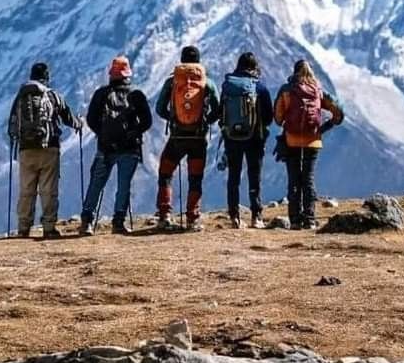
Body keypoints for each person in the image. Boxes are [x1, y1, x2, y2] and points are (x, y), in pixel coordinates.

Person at [79, 56, 152, 236]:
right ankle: (118, 222)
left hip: (105, 148)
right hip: (130, 148)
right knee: (124, 184)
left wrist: (103, 134)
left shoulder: (101, 94)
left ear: (111, 74)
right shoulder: (136, 94)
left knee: (96, 184)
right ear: (128, 74)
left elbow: (91, 120)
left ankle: (87, 221)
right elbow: (147, 121)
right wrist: (134, 133)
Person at [8, 62, 82, 239]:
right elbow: (68, 118)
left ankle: (23, 228)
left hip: (26, 150)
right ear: (46, 77)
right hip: (49, 148)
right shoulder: (52, 95)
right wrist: (79, 123)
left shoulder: (20, 97)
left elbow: (11, 126)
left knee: (26, 190)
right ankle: (48, 227)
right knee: (48, 190)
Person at [155, 45, 220, 231]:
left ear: (182, 60)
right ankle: (193, 218)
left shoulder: (172, 82)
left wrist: (173, 118)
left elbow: (159, 108)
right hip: (198, 138)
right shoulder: (208, 83)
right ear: (198, 61)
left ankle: (165, 215)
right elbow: (217, 109)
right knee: (195, 178)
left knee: (165, 173)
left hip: (177, 136)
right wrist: (206, 121)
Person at [274, 59, 344, 230]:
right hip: (313, 141)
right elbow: (339, 112)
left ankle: (295, 220)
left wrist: (287, 123)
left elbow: (277, 118)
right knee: (309, 179)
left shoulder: (287, 90)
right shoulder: (318, 91)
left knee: (294, 180)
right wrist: (325, 127)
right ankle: (310, 219)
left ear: (294, 72)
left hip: (291, 140)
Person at [219, 52, 274, 229]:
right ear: (254, 67)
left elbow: (222, 112)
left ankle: (234, 215)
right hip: (254, 138)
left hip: (232, 137)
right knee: (254, 175)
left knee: (233, 176)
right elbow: (269, 117)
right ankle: (256, 215)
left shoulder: (228, 86)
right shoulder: (260, 87)